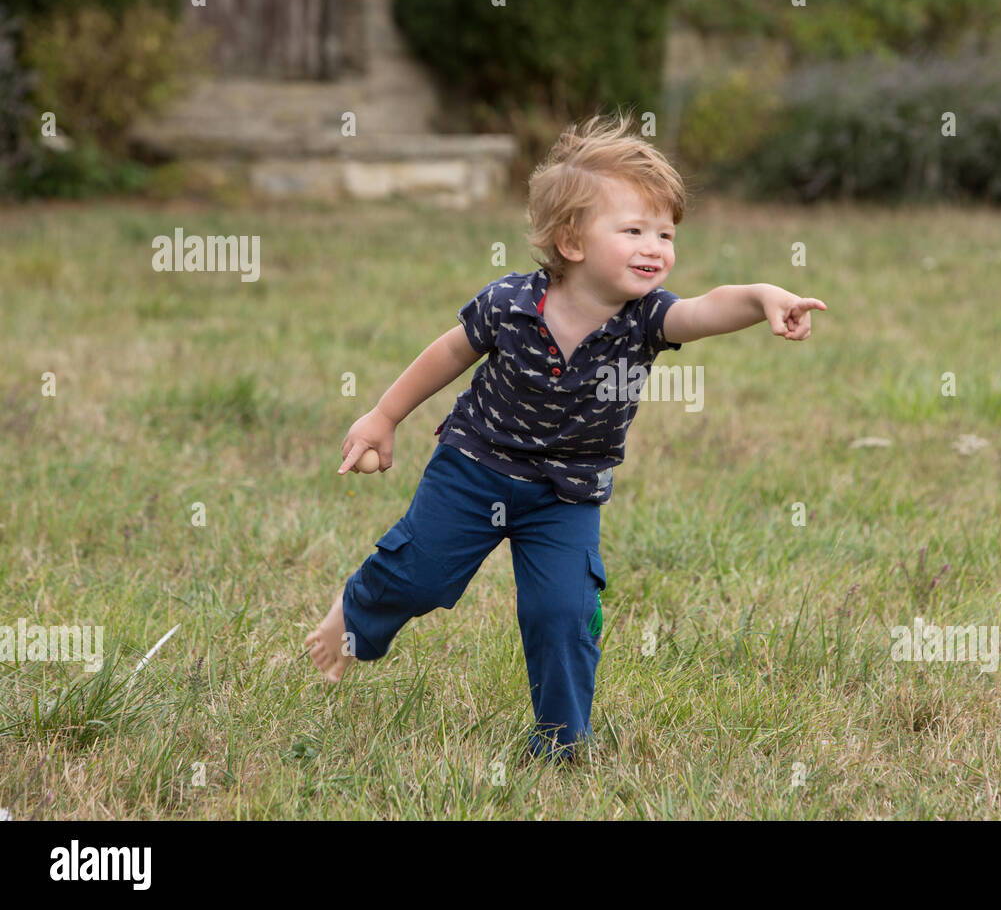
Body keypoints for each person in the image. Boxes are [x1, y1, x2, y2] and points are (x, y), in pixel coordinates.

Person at [305, 110, 827, 762]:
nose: (656, 246)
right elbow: (447, 353)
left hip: (568, 494)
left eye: (666, 232)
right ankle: (354, 615)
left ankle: (559, 744)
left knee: (562, 614)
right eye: (634, 229)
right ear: (572, 241)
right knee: (423, 577)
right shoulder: (510, 304)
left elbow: (706, 307)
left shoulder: (648, 320)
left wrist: (761, 297)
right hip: (474, 468)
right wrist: (383, 417)